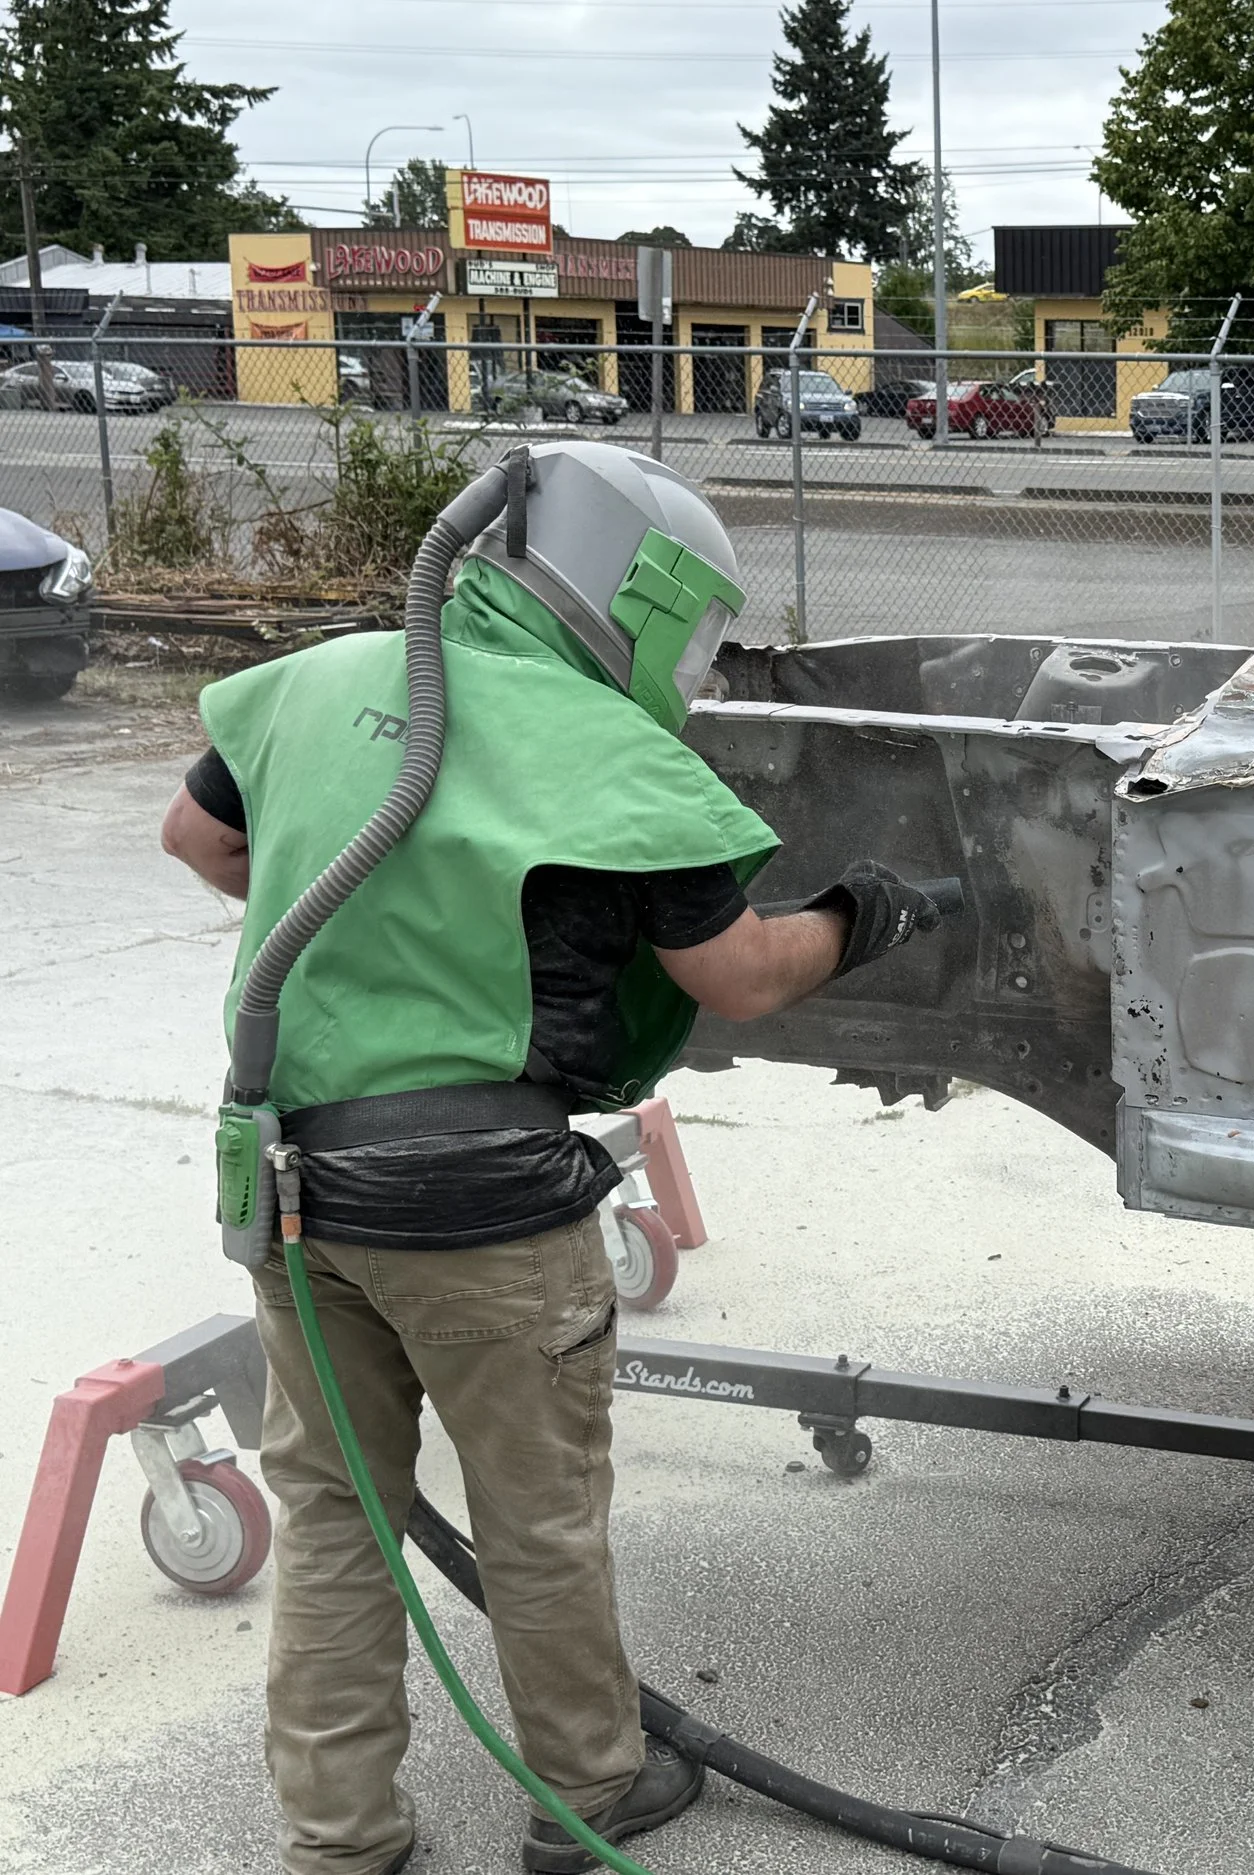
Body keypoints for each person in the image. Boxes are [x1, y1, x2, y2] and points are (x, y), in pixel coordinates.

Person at [159, 442, 939, 1875]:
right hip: (489, 1212)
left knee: (338, 1512)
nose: (689, 672)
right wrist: (860, 916)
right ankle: (588, 1796)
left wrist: (371, 941)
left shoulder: (321, 683)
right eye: (689, 637)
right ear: (634, 594)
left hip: (299, 1187)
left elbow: (199, 835)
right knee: (539, 1520)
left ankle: (339, 1840)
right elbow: (739, 974)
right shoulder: (607, 748)